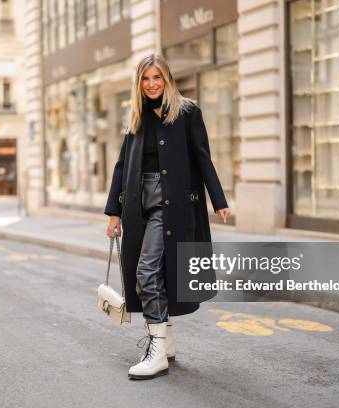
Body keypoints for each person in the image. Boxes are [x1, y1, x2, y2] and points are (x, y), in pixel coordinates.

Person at [104, 54, 230, 380]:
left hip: (170, 204)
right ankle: (167, 342)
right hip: (137, 206)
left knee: (146, 270)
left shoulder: (187, 113)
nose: (151, 84)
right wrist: (113, 213)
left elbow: (203, 159)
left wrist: (219, 200)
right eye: (145, 79)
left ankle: (156, 351)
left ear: (168, 79)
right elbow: (121, 166)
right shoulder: (136, 117)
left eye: (156, 77)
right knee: (155, 271)